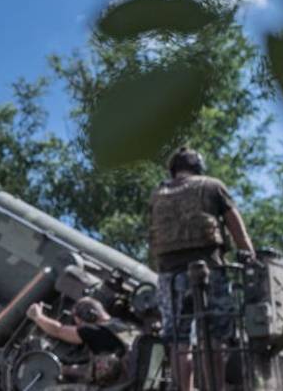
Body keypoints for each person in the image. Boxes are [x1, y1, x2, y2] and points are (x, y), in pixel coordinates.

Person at [148, 147, 255, 391]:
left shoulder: (158, 194)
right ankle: (216, 387)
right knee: (217, 335)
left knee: (179, 340)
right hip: (209, 269)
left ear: (173, 169)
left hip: (169, 274)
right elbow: (236, 226)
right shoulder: (212, 186)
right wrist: (250, 254)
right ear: (199, 167)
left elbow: (153, 238)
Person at [27, 298, 137, 386]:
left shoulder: (93, 331)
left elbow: (58, 331)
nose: (79, 326)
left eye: (78, 323)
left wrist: (37, 316)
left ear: (89, 316)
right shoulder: (120, 324)